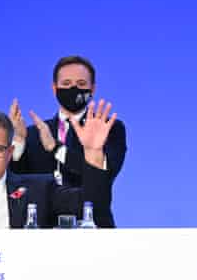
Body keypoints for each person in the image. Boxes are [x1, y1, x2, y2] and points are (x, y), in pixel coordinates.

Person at [8, 56, 125, 224]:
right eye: (66, 83)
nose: (73, 89)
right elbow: (17, 182)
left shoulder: (109, 129)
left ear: (92, 88)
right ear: (54, 88)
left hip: (92, 226)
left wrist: (56, 148)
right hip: (41, 230)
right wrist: (19, 140)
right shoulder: (34, 133)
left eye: (81, 84)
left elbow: (102, 177)